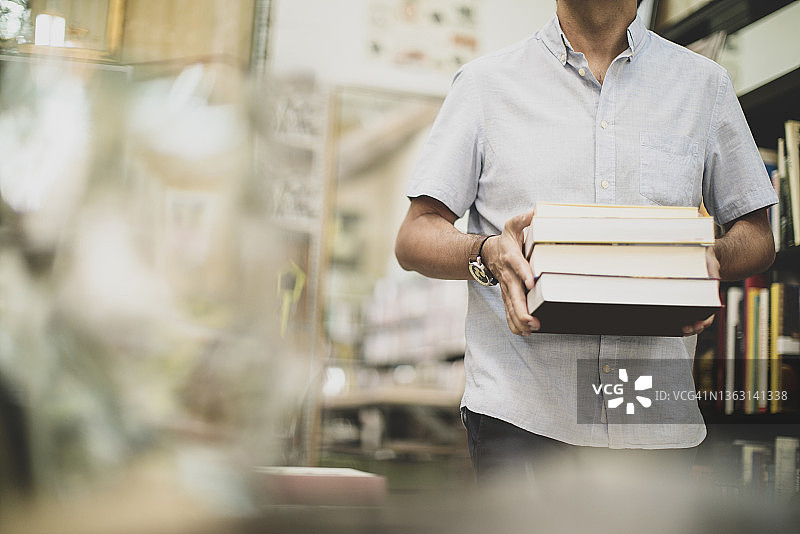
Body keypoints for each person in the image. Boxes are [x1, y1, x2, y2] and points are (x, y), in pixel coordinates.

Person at [394, 0, 777, 485]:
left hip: (650, 413)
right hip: (522, 412)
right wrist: (486, 251)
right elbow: (415, 234)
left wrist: (700, 263)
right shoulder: (484, 85)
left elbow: (757, 236)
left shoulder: (704, 86)